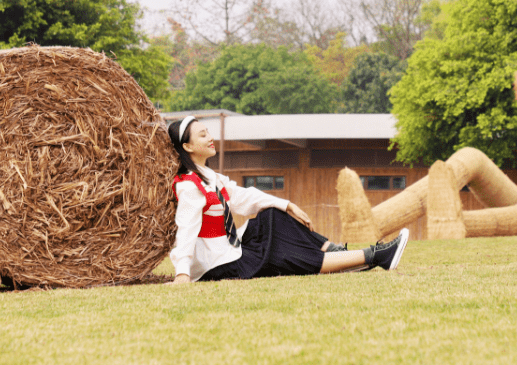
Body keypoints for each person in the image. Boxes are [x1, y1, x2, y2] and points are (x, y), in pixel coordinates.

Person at [168, 115, 409, 284]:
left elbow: (243, 197)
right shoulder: (189, 185)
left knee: (273, 215)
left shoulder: (211, 176)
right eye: (203, 135)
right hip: (217, 265)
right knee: (282, 253)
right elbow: (186, 229)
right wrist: (182, 274)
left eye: (208, 132)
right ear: (187, 146)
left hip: (230, 248)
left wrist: (287, 204)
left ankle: (334, 251)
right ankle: (374, 256)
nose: (210, 138)